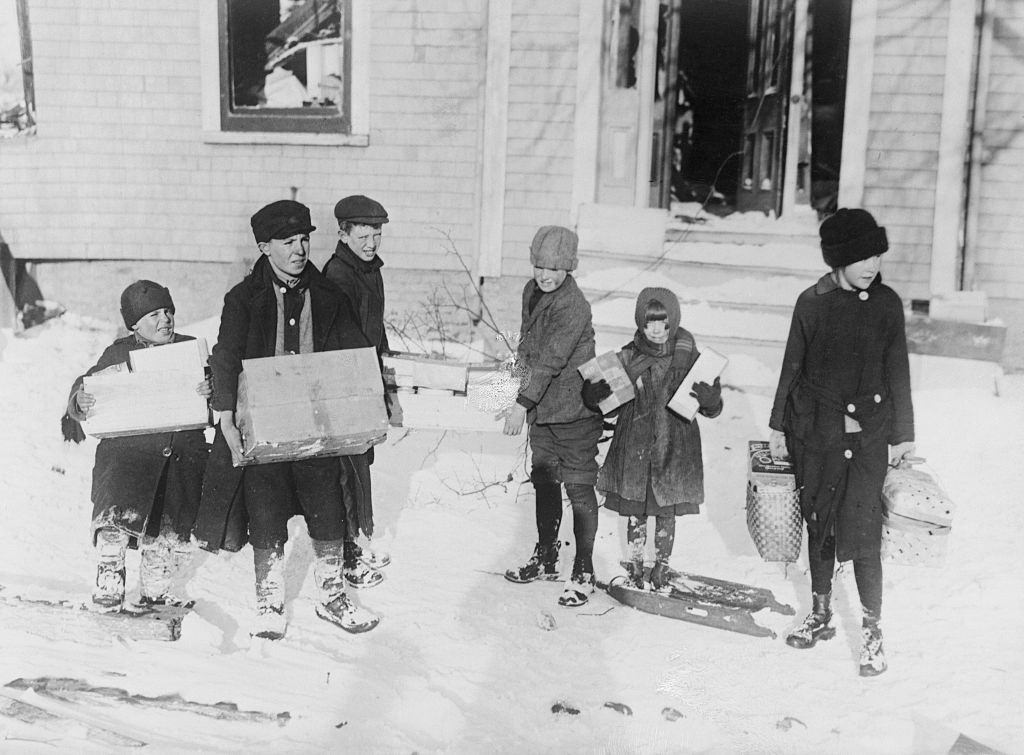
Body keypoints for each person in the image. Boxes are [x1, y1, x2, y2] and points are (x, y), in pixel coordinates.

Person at [195, 199, 379, 640]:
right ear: (264, 247)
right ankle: (270, 598)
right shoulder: (242, 299)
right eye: (288, 242)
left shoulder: (330, 296)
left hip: (318, 423)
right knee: (266, 509)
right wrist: (224, 414)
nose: (299, 249)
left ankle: (333, 595)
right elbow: (225, 356)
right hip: (265, 426)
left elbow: (354, 355)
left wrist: (369, 406)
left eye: (304, 240)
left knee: (328, 506)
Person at [768, 208, 915, 677]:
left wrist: (903, 434)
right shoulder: (811, 303)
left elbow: (898, 370)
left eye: (876, 254)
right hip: (818, 432)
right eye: (860, 257)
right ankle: (820, 609)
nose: (871, 264)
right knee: (820, 525)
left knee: (865, 533)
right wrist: (777, 425)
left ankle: (872, 631)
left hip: (870, 434)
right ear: (838, 260)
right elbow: (792, 365)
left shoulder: (888, 304)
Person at [63, 280, 210, 611]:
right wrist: (81, 400)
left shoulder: (190, 349)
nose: (165, 320)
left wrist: (210, 388)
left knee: (165, 525)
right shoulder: (119, 351)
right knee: (116, 515)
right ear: (135, 325)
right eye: (154, 314)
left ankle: (156, 583)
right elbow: (86, 383)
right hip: (129, 455)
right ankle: (110, 574)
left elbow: (219, 392)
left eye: (168, 311)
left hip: (178, 452)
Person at [584, 287, 722, 592]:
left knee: (665, 510)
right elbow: (606, 402)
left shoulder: (690, 357)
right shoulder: (627, 357)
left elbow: (712, 406)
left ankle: (661, 566)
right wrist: (594, 396)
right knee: (635, 509)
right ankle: (635, 566)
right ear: (640, 324)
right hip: (635, 446)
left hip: (674, 447)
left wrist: (711, 399)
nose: (656, 330)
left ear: (673, 321)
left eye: (663, 322)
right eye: (649, 323)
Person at [503, 225, 604, 607]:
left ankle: (584, 570)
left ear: (569, 268)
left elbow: (550, 361)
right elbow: (528, 349)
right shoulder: (532, 292)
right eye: (539, 266)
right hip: (545, 410)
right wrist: (515, 387)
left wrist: (520, 403)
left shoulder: (573, 305)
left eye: (555, 268)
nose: (545, 275)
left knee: (578, 487)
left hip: (576, 412)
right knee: (545, 482)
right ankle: (546, 557)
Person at [321, 194, 401, 589]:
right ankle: (346, 558)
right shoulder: (338, 275)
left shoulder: (369, 270)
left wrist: (384, 367)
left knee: (359, 467)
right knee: (346, 473)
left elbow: (375, 326)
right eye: (363, 236)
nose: (371, 244)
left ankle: (355, 541)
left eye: (377, 235)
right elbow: (339, 341)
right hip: (345, 385)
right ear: (343, 234)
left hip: (365, 379)